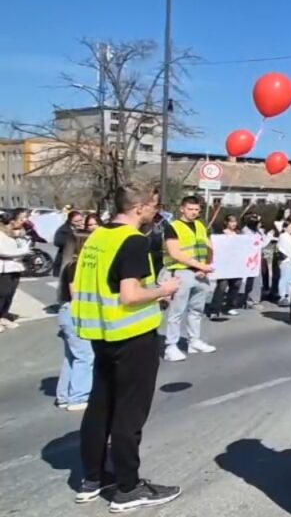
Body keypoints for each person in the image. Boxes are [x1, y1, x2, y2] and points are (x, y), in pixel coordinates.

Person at [72, 183, 183, 511]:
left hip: (101, 333)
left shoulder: (98, 237)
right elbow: (129, 295)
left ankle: (92, 478)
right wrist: (164, 290)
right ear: (138, 208)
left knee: (100, 406)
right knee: (129, 414)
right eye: (153, 205)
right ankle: (128, 488)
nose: (156, 210)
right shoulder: (133, 240)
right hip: (131, 337)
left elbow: (86, 285)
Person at [161, 196, 217, 362]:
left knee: (196, 310)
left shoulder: (201, 225)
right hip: (180, 272)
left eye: (196, 210)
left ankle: (194, 341)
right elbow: (175, 252)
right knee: (176, 312)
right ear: (182, 209)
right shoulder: (172, 227)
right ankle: (171, 346)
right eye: (190, 209)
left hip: (200, 274)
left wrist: (206, 266)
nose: (193, 212)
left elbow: (209, 247)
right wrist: (199, 266)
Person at [55, 226, 93, 410]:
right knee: (85, 356)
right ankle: (78, 397)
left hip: (66, 311)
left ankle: (63, 395)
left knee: (71, 356)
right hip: (75, 312)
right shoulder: (77, 266)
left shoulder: (68, 265)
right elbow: (76, 293)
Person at [0, 209, 32, 331]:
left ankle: (3, 316)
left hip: (15, 266)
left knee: (9, 294)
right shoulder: (1, 233)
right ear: (11, 221)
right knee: (2, 294)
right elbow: (3, 251)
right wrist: (23, 251)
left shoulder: (18, 233)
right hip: (4, 268)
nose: (23, 221)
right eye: (20, 219)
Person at [210, 215, 245, 319]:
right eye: (231, 222)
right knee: (222, 286)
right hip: (223, 265)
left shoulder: (238, 234)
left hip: (236, 265)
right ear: (226, 223)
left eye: (235, 222)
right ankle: (215, 309)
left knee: (236, 285)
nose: (234, 224)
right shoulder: (220, 234)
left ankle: (229, 306)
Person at [53, 210, 85, 278]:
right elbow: (57, 242)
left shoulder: (86, 227)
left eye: (81, 220)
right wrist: (74, 235)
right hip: (68, 258)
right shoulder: (64, 229)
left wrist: (83, 231)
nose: (79, 223)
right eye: (76, 221)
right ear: (70, 221)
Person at [277, 218, 291, 308]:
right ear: (285, 228)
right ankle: (282, 296)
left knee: (290, 279)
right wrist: (288, 258)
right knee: (284, 278)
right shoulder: (283, 236)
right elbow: (281, 249)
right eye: (290, 227)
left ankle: (289, 296)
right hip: (286, 260)